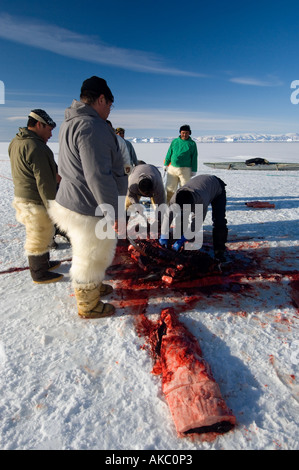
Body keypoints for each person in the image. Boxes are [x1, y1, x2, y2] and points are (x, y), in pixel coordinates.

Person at [48, 76, 128, 319]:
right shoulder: (92, 126)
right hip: (88, 206)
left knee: (89, 251)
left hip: (72, 200)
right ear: (101, 99)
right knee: (91, 255)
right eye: (109, 105)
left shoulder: (72, 122)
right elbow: (98, 175)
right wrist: (113, 212)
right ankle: (88, 302)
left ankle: (93, 285)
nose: (109, 110)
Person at [8, 109, 63, 284]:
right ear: (39, 124)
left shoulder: (16, 142)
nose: (51, 134)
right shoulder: (37, 147)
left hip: (22, 196)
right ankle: (39, 273)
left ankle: (44, 263)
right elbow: (45, 182)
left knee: (43, 231)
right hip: (34, 199)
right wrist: (53, 206)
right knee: (38, 234)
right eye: (49, 129)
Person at [159, 175, 228, 261]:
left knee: (219, 221)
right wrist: (164, 234)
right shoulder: (176, 198)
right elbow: (168, 215)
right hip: (202, 184)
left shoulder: (201, 202)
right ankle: (180, 239)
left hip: (217, 187)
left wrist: (182, 239)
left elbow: (196, 225)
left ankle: (219, 252)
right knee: (181, 216)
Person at [164, 124, 198, 203]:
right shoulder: (175, 141)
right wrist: (166, 163)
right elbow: (169, 153)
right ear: (180, 133)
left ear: (189, 133)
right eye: (183, 133)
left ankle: (184, 204)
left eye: (186, 133)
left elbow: (194, 157)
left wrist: (194, 169)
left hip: (185, 169)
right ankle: (168, 203)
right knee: (170, 188)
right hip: (173, 168)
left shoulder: (192, 144)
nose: (184, 135)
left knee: (185, 188)